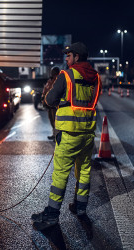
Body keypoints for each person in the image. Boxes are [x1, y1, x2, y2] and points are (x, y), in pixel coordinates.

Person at [31, 42, 102, 230]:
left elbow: (50, 99)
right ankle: (80, 208)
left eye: (69, 55)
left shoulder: (67, 75)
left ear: (77, 57)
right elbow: (92, 101)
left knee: (60, 174)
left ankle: (52, 215)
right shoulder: (96, 78)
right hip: (87, 133)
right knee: (84, 171)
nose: (66, 58)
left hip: (69, 133)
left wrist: (59, 102)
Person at [42, 66, 60, 140]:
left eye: (52, 71)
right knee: (51, 119)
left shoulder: (58, 80)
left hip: (54, 104)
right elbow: (46, 89)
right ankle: (54, 134)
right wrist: (43, 98)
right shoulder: (50, 80)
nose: (51, 73)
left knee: (55, 120)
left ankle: (57, 136)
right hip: (49, 103)